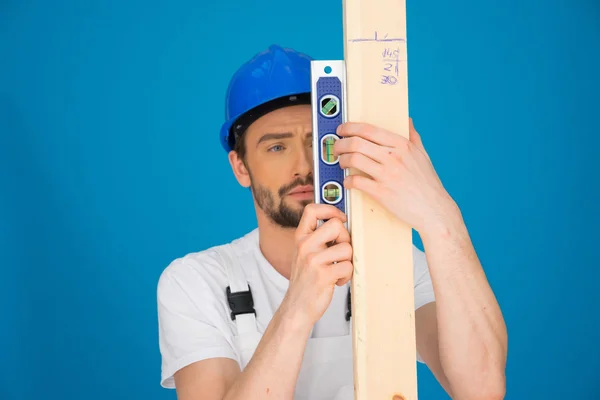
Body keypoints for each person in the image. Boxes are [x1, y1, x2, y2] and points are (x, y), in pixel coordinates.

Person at [156, 44, 508, 400]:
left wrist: (440, 217)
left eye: (317, 141)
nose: (304, 166)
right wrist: (298, 306)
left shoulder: (394, 265)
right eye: (276, 147)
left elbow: (481, 389)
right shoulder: (196, 282)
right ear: (241, 167)